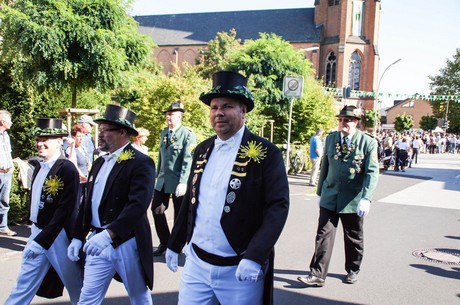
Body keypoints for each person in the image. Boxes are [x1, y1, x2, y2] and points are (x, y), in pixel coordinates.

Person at [165, 71, 290, 305]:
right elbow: (192, 202)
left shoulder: (266, 153)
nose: (218, 113)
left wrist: (254, 256)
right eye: (214, 107)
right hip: (197, 265)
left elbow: (277, 208)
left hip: (239, 269)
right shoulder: (202, 149)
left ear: (243, 111)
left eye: (227, 106)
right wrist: (175, 242)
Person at [67, 104, 156, 305]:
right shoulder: (99, 162)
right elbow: (87, 202)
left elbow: (138, 205)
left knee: (139, 296)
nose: (101, 134)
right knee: (88, 297)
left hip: (126, 241)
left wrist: (110, 234)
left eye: (106, 130)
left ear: (123, 132)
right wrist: (77, 236)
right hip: (97, 241)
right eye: (101, 129)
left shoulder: (141, 162)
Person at [297, 105, 379, 287]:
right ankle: (317, 274)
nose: (343, 123)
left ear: (356, 122)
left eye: (348, 120)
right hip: (330, 196)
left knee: (353, 237)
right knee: (323, 235)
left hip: (352, 200)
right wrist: (319, 193)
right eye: (341, 119)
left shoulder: (368, 143)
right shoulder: (331, 138)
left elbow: (372, 172)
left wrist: (366, 198)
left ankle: (353, 269)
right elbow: (324, 167)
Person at [5, 118, 83, 305]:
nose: (40, 143)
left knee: (76, 285)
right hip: (38, 232)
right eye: (38, 139)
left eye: (46, 139)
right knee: (24, 283)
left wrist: (43, 240)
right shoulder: (39, 166)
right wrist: (36, 236)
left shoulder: (66, 168)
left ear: (59, 141)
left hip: (58, 237)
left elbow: (66, 209)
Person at [151, 101, 196, 256]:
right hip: (163, 180)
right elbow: (161, 157)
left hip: (178, 181)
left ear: (179, 116)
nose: (169, 117)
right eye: (167, 114)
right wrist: (157, 176)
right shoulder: (164, 133)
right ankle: (164, 241)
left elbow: (187, 159)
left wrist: (184, 182)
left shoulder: (187, 134)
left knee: (179, 216)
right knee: (156, 210)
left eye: (172, 115)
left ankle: (176, 246)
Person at [0, 110, 16, 236]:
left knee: (4, 201)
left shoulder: (6, 135)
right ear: (2, 122)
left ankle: (3, 227)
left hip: (7, 172)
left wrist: (11, 166)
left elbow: (8, 152)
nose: (11, 123)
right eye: (9, 120)